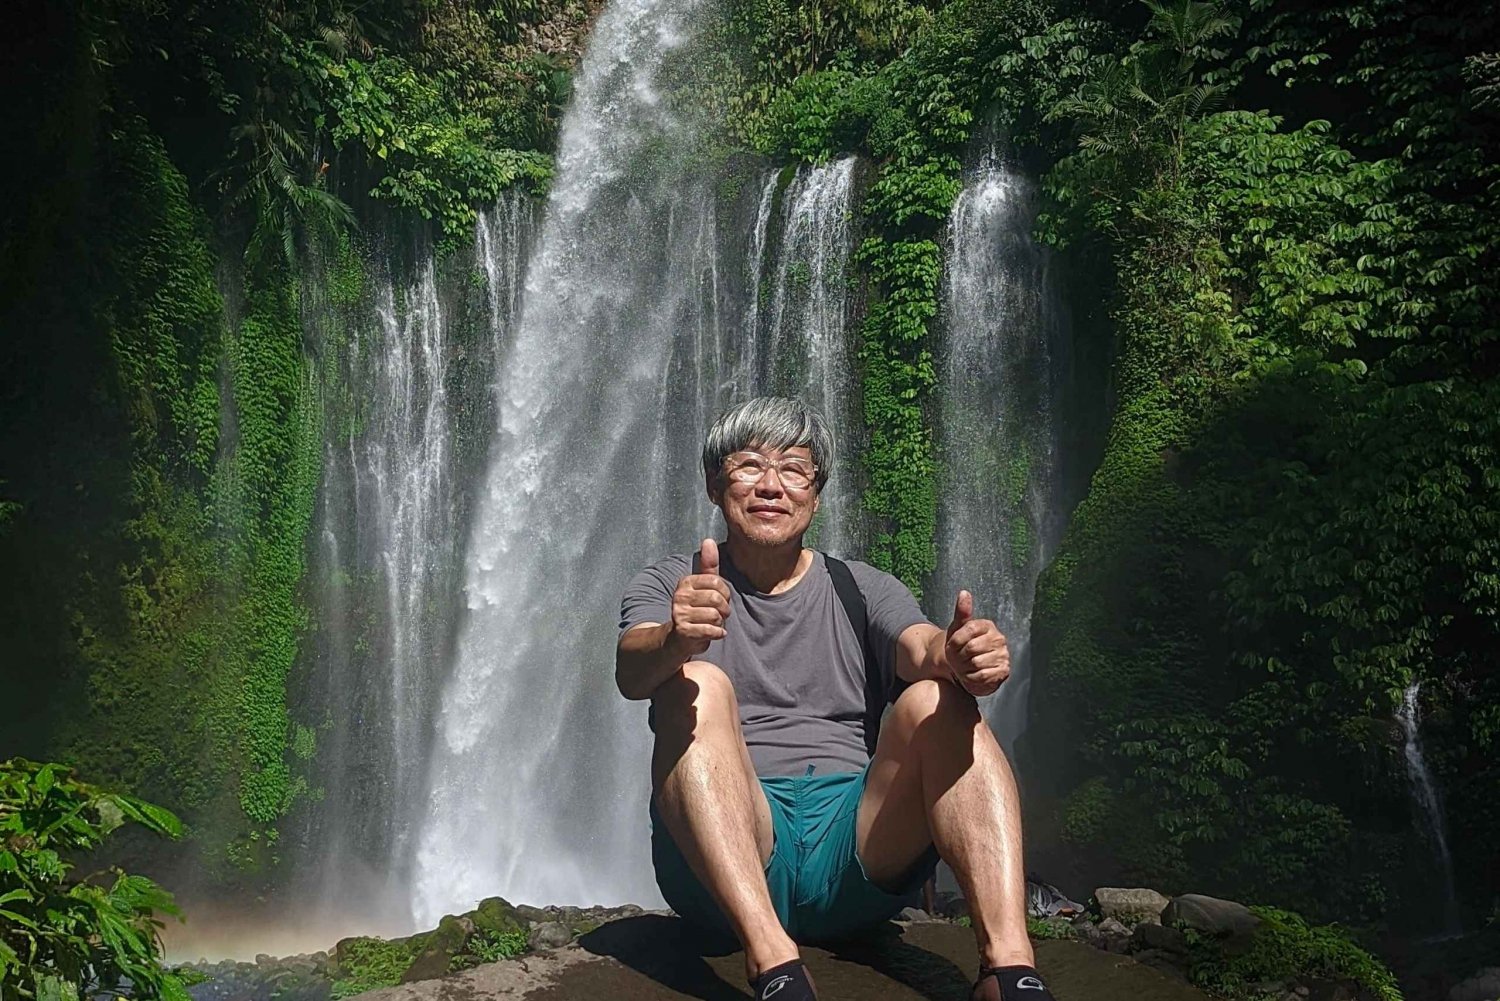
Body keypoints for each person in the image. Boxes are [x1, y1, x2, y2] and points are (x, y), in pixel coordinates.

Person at [616, 397, 1055, 1001]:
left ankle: (1009, 970)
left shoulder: (861, 586)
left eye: (793, 469)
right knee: (696, 684)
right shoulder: (672, 584)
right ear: (715, 484)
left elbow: (921, 646)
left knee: (938, 699)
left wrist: (958, 656)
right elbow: (632, 669)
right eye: (749, 465)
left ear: (816, 496)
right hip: (731, 847)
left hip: (857, 847)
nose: (771, 485)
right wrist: (674, 639)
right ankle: (774, 967)